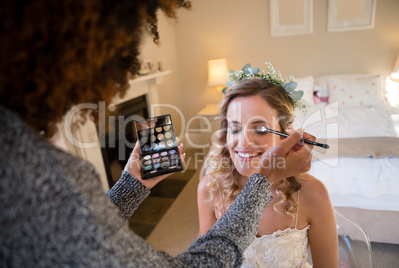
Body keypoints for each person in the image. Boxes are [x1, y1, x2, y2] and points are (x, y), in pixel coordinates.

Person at [0, 1, 315, 267]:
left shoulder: (27, 160)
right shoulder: (39, 177)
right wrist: (263, 179)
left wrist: (131, 185)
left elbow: (79, 233)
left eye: (259, 128)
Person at [198, 63, 339, 267]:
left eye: (261, 129)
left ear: (288, 135)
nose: (244, 142)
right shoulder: (210, 189)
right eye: (235, 129)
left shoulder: (313, 193)